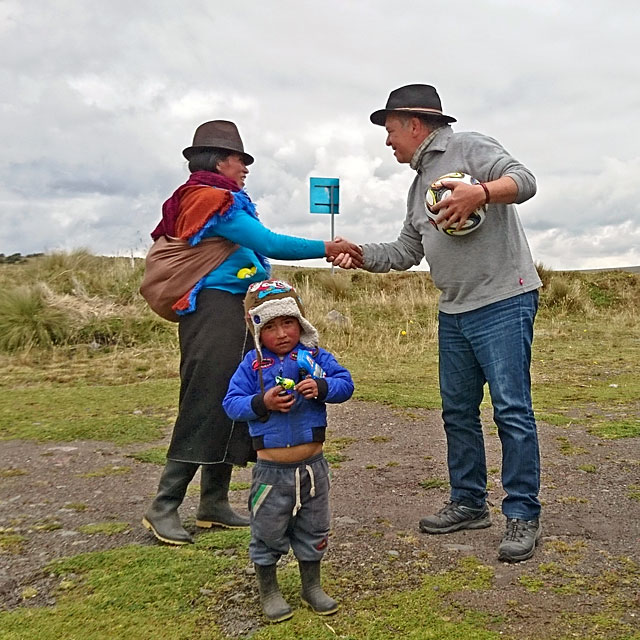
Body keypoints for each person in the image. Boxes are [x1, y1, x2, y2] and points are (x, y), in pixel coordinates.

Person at [334, 84, 542, 563]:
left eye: (389, 131)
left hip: (504, 301)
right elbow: (407, 252)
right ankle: (469, 503)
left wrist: (481, 192)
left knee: (511, 411)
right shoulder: (417, 185)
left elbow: (525, 180)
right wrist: (360, 254)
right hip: (454, 311)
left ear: (414, 124)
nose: (387, 142)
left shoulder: (469, 147)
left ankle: (522, 512)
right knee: (457, 412)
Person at [139, 120, 362, 546]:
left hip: (233, 311)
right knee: (205, 400)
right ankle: (163, 506)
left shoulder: (218, 199)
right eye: (240, 159)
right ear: (219, 160)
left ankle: (213, 505)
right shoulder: (210, 199)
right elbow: (269, 241)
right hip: (213, 311)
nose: (245, 168)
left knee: (233, 397)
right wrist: (327, 248)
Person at [223, 279, 353, 622]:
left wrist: (322, 386)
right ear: (257, 331)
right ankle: (269, 590)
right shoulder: (251, 365)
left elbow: (345, 384)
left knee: (314, 527)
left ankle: (312, 587)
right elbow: (231, 404)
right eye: (271, 326)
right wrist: (261, 402)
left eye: (288, 323)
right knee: (267, 530)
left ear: (301, 323)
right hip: (271, 471)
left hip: (314, 468)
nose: (281, 333)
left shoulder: (315, 357)